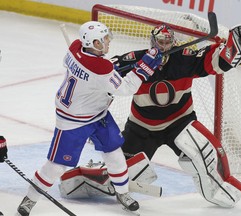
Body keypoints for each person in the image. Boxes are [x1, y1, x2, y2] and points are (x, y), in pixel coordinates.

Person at [17, 21, 162, 216]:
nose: (108, 43)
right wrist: (145, 66)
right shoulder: (100, 67)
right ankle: (30, 199)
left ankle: (123, 194)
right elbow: (126, 88)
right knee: (56, 166)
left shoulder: (75, 47)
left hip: (97, 114)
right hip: (72, 121)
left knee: (114, 155)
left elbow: (95, 73)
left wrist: (101, 79)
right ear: (92, 43)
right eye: (103, 40)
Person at [111, 23, 241, 207]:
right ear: (152, 42)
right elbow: (107, 74)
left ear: (173, 43)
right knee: (118, 176)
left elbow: (217, 61)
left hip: (179, 123)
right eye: (160, 42)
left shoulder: (184, 58)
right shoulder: (135, 60)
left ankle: (225, 190)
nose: (163, 46)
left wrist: (237, 43)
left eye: (167, 42)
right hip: (142, 127)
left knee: (207, 154)